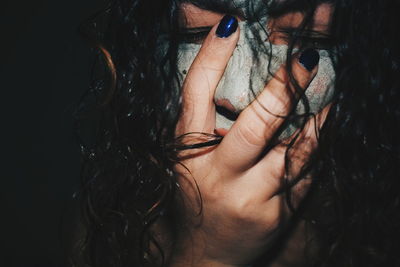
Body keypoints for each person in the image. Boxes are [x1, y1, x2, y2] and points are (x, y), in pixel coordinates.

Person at [73, 0, 400, 266]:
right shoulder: (110, 224)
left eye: (312, 38)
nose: (239, 97)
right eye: (196, 31)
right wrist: (207, 255)